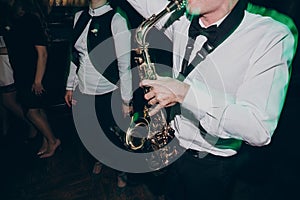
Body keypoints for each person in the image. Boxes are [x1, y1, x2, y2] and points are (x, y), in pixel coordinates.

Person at [126, 0, 297, 199]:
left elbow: (259, 128)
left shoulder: (271, 35)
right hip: (173, 146)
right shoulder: (181, 16)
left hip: (211, 164)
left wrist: (185, 93)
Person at [64, 0, 133, 191]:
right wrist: (70, 86)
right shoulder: (80, 17)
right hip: (83, 89)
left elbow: (124, 66)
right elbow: (74, 56)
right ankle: (100, 158)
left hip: (107, 91)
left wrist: (126, 100)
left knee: (113, 137)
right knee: (90, 134)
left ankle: (121, 170)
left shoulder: (116, 19)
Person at [3, 0, 61, 158]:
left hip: (32, 74)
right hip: (23, 72)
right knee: (38, 109)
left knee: (30, 112)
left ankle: (53, 140)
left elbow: (42, 53)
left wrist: (37, 80)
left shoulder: (30, 19)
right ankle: (46, 141)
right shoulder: (14, 19)